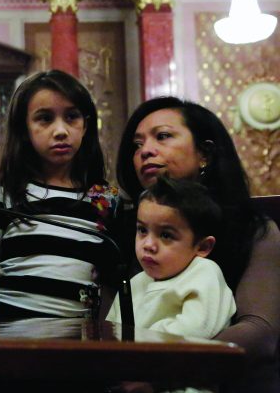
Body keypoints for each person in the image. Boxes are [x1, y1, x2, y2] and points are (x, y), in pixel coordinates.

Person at [116, 96, 280, 392]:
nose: (145, 151)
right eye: (137, 145)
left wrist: (158, 376)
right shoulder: (123, 230)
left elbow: (259, 333)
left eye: (162, 136)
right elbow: (111, 323)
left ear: (204, 153)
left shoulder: (255, 230)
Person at [0, 70, 120, 319]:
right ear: (24, 129)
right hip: (10, 334)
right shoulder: (5, 191)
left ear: (86, 125)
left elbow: (109, 282)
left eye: (72, 117)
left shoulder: (105, 197)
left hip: (77, 341)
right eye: (45, 118)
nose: (61, 131)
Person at [106, 176, 235, 337]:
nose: (148, 244)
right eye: (142, 230)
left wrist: (134, 339)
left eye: (166, 235)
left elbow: (196, 329)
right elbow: (111, 332)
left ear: (202, 247)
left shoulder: (204, 272)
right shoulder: (135, 283)